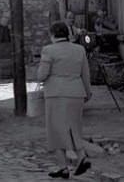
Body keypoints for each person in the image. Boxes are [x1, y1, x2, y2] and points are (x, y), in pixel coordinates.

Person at [37, 21, 92, 179]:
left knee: (55, 131)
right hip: (76, 92)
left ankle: (63, 167)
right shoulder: (79, 50)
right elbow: (85, 74)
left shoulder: (48, 50)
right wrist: (87, 93)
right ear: (68, 34)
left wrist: (39, 72)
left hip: (56, 94)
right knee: (73, 128)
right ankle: (81, 157)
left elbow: (42, 75)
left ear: (53, 35)